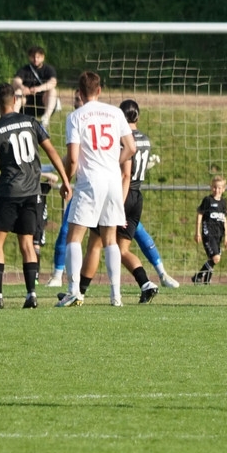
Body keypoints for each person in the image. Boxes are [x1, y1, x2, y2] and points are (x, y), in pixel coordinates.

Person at [45, 92, 180, 290]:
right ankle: (151, 280)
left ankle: (77, 288)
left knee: (94, 243)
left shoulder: (120, 138)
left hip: (116, 191)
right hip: (135, 194)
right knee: (124, 245)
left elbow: (125, 173)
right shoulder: (145, 139)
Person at [0, 83, 71, 310]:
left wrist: (1, 179)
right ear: (15, 100)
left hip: (9, 192)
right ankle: (31, 295)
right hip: (32, 193)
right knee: (27, 243)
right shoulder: (31, 122)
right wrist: (66, 180)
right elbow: (52, 151)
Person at [56, 71, 135, 308]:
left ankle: (74, 291)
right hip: (112, 180)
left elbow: (72, 158)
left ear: (79, 93)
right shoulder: (116, 113)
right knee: (110, 239)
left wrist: (66, 180)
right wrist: (112, 162)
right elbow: (131, 148)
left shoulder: (75, 117)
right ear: (99, 90)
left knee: (74, 236)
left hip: (90, 180)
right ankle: (116, 296)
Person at [192, 175, 227, 284]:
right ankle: (198, 276)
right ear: (211, 187)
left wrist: (226, 237)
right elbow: (200, 214)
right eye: (214, 187)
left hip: (218, 234)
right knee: (216, 258)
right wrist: (197, 232)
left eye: (219, 188)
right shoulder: (208, 200)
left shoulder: (223, 203)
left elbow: (224, 219)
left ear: (223, 189)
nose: (216, 190)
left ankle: (206, 281)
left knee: (213, 259)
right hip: (208, 233)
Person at [12, 45, 58, 129]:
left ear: (43, 57)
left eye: (38, 57)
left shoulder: (49, 69)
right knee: (18, 92)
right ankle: (14, 118)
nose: (35, 59)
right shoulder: (24, 69)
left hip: (43, 101)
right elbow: (16, 81)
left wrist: (39, 89)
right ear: (29, 57)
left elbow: (53, 82)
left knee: (53, 91)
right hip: (26, 102)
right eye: (33, 57)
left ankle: (46, 118)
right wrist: (22, 88)